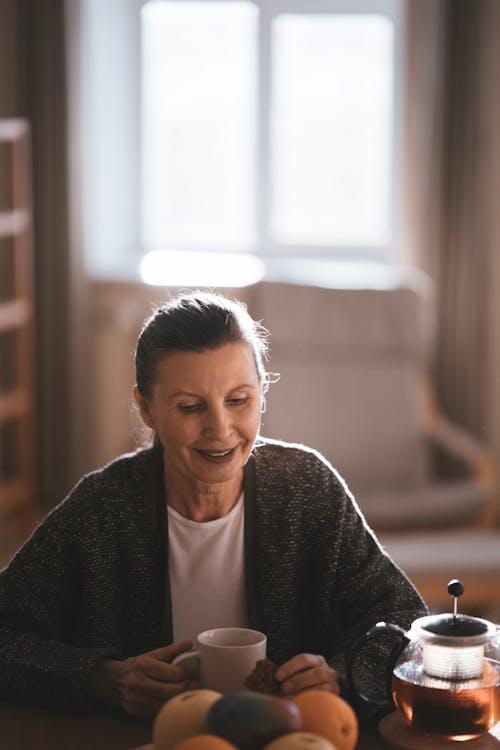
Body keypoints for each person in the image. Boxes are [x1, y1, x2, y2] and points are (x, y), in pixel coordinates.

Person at [0, 290, 426, 718]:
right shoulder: (103, 508)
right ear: (147, 408)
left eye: (238, 400)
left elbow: (405, 620)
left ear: (262, 391)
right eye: (190, 407)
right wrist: (101, 677)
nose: (220, 430)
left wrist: (339, 677)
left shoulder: (307, 488)